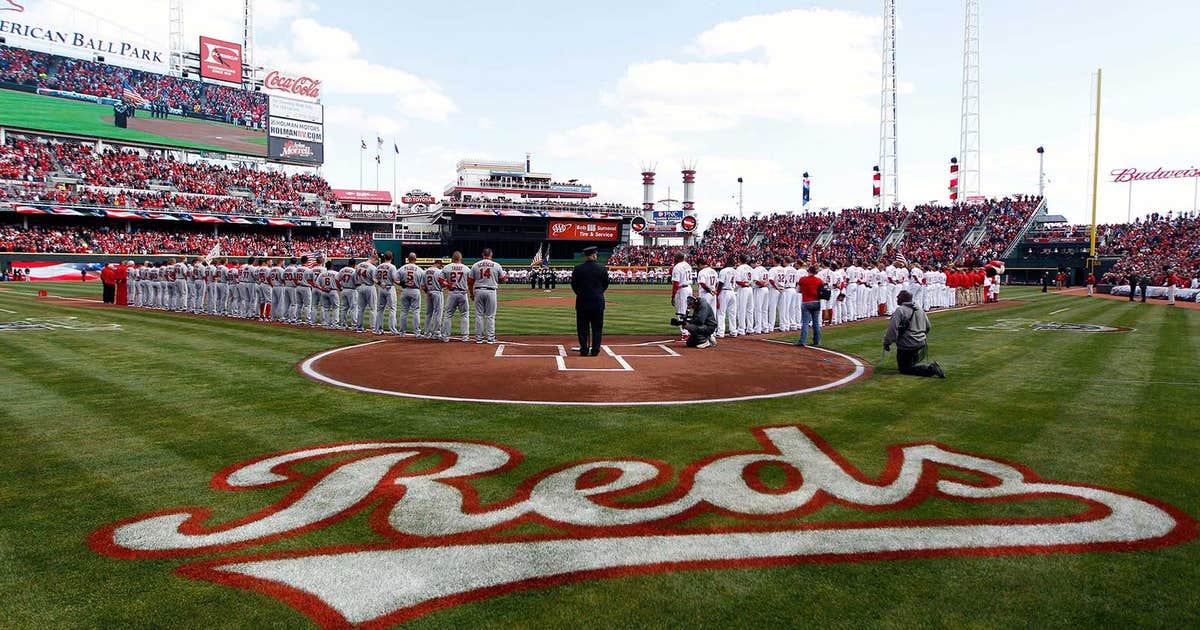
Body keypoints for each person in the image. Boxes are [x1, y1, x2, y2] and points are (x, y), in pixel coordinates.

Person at [883, 290, 945, 378]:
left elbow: (892, 329)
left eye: (898, 297)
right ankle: (914, 361)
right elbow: (928, 326)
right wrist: (921, 336)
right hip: (920, 343)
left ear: (903, 299)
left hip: (907, 344)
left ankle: (931, 369)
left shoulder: (900, 310)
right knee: (908, 363)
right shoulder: (919, 308)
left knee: (904, 369)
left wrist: (887, 342)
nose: (897, 298)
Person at [571, 245, 609, 356]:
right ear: (593, 255)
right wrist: (598, 292)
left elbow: (574, 285)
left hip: (582, 302)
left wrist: (581, 294)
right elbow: (606, 284)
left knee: (583, 327)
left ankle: (584, 349)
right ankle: (595, 350)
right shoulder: (602, 268)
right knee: (597, 328)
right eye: (596, 254)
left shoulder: (578, 268)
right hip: (597, 302)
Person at [469, 248, 507, 343]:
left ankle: (479, 338)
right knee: (490, 316)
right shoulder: (496, 265)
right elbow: (503, 280)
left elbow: (470, 282)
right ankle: (490, 338)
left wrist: (471, 293)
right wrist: (505, 277)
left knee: (479, 315)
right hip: (491, 291)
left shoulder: (475, 265)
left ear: (483, 254)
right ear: (491, 254)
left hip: (478, 291)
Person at [440, 251, 472, 342]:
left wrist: (448, 284)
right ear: (460, 258)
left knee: (448, 315)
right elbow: (470, 282)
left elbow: (440, 279)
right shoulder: (466, 268)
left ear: (452, 258)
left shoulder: (447, 267)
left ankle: (445, 337)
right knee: (464, 315)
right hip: (463, 293)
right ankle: (465, 337)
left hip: (452, 293)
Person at [397, 252, 424, 336]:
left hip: (405, 290)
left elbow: (395, 279)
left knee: (404, 312)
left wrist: (402, 283)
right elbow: (422, 284)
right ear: (415, 259)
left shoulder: (402, 268)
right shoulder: (419, 270)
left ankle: (402, 332)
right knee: (416, 311)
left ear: (408, 259)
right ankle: (417, 332)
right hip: (415, 290)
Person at [796, 265, 824, 347]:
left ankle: (802, 341)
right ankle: (816, 341)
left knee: (805, 322)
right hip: (816, 302)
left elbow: (799, 290)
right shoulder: (819, 280)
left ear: (808, 271)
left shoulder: (803, 279)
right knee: (816, 323)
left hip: (806, 302)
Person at [670, 252, 694, 341]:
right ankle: (689, 331)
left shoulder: (677, 267)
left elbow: (676, 283)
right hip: (689, 288)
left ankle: (685, 333)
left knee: (681, 312)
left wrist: (672, 296)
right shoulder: (688, 265)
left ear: (677, 258)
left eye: (675, 257)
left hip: (682, 290)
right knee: (687, 311)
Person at [422, 259, 445, 339]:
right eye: (441, 265)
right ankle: (436, 333)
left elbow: (422, 285)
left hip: (429, 293)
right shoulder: (439, 272)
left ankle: (427, 333)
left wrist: (427, 291)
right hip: (437, 292)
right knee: (438, 313)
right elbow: (443, 283)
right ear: (438, 264)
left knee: (428, 313)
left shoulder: (425, 271)